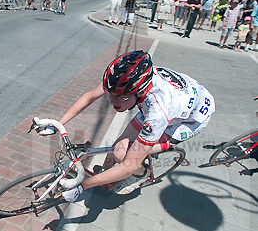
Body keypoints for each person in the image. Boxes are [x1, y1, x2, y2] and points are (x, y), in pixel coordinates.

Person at [40, 51, 214, 202]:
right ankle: (108, 176)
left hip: (188, 121)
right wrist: (58, 124)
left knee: (121, 152)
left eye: (119, 97)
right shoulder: (126, 80)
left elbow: (128, 165)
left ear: (138, 91)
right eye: (110, 95)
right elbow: (88, 97)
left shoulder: (157, 112)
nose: (112, 101)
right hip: (176, 99)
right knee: (114, 149)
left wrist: (82, 186)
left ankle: (141, 174)